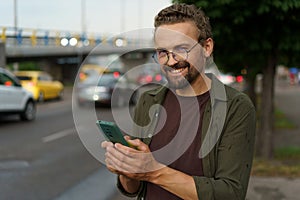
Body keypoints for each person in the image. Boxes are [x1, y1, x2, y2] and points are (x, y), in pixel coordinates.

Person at [101, 3, 256, 200]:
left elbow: (231, 194)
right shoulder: (148, 100)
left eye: (181, 49)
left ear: (206, 47)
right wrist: (126, 168)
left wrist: (154, 171)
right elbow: (134, 189)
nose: (171, 61)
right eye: (162, 52)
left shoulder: (236, 107)